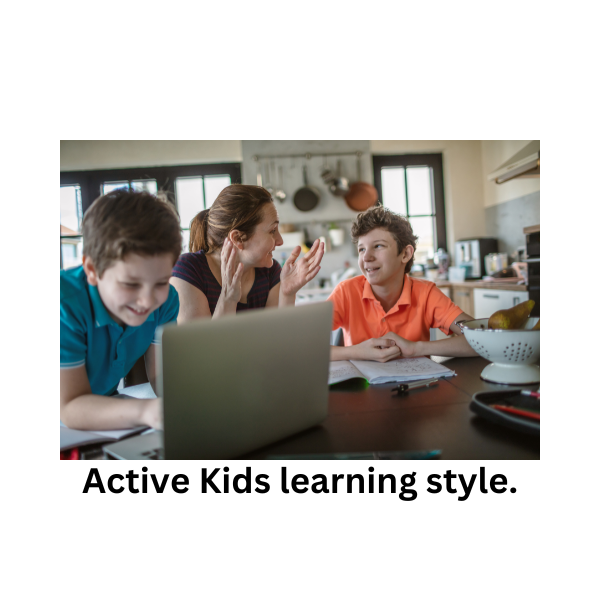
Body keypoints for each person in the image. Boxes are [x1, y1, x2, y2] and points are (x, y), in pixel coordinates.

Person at [60, 188, 182, 430]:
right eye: (130, 284)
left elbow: (162, 379)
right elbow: (69, 406)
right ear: (92, 270)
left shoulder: (167, 300)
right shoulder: (63, 304)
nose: (147, 301)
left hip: (103, 409)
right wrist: (147, 411)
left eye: (160, 282)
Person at [328, 205, 478, 362]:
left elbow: (481, 340)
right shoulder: (346, 292)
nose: (366, 257)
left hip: (415, 386)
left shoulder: (425, 294)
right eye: (361, 249)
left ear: (405, 254)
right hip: (362, 386)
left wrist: (416, 348)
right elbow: (305, 346)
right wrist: (357, 351)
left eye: (378, 246)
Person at [170, 184, 324, 321]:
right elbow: (200, 351)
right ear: (238, 238)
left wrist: (287, 293)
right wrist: (228, 298)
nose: (280, 241)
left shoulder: (270, 273)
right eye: (272, 231)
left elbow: (277, 344)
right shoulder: (189, 271)